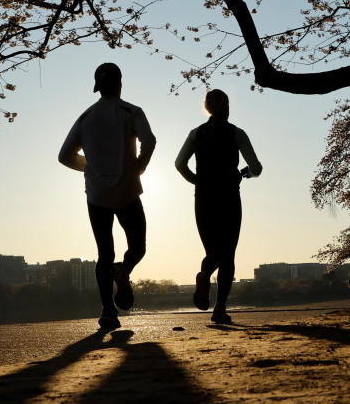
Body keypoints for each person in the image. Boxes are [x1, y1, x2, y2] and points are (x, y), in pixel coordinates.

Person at [59, 62, 156, 330]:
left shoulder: (85, 118)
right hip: (127, 191)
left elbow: (63, 156)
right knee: (138, 246)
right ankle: (124, 271)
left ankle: (107, 311)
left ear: (97, 88)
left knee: (104, 253)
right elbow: (149, 141)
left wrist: (90, 167)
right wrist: (139, 166)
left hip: (97, 195)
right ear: (120, 83)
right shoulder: (132, 112)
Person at [175, 89, 262, 324]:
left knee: (213, 251)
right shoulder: (236, 133)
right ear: (227, 107)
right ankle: (219, 308)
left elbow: (179, 163)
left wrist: (196, 180)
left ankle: (204, 275)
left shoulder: (195, 134)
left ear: (207, 108)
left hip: (203, 198)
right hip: (228, 197)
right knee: (228, 254)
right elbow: (256, 167)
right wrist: (244, 173)